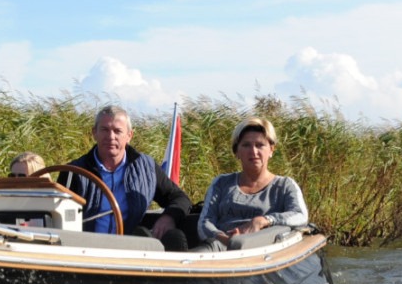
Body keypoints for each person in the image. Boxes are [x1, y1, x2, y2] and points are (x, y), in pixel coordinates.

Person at [56, 105, 192, 251]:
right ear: (94, 133)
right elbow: (56, 216)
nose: (111, 137)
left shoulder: (147, 168)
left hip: (130, 255)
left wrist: (168, 217)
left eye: (117, 131)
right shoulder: (73, 172)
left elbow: (180, 198)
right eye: (105, 130)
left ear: (129, 136)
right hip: (84, 253)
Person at [198, 116, 309, 248]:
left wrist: (263, 221)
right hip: (220, 249)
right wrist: (227, 240)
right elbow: (205, 223)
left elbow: (300, 216)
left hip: (264, 253)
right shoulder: (221, 183)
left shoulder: (285, 185)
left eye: (260, 145)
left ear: (271, 150)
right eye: (246, 145)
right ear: (237, 152)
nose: (253, 151)